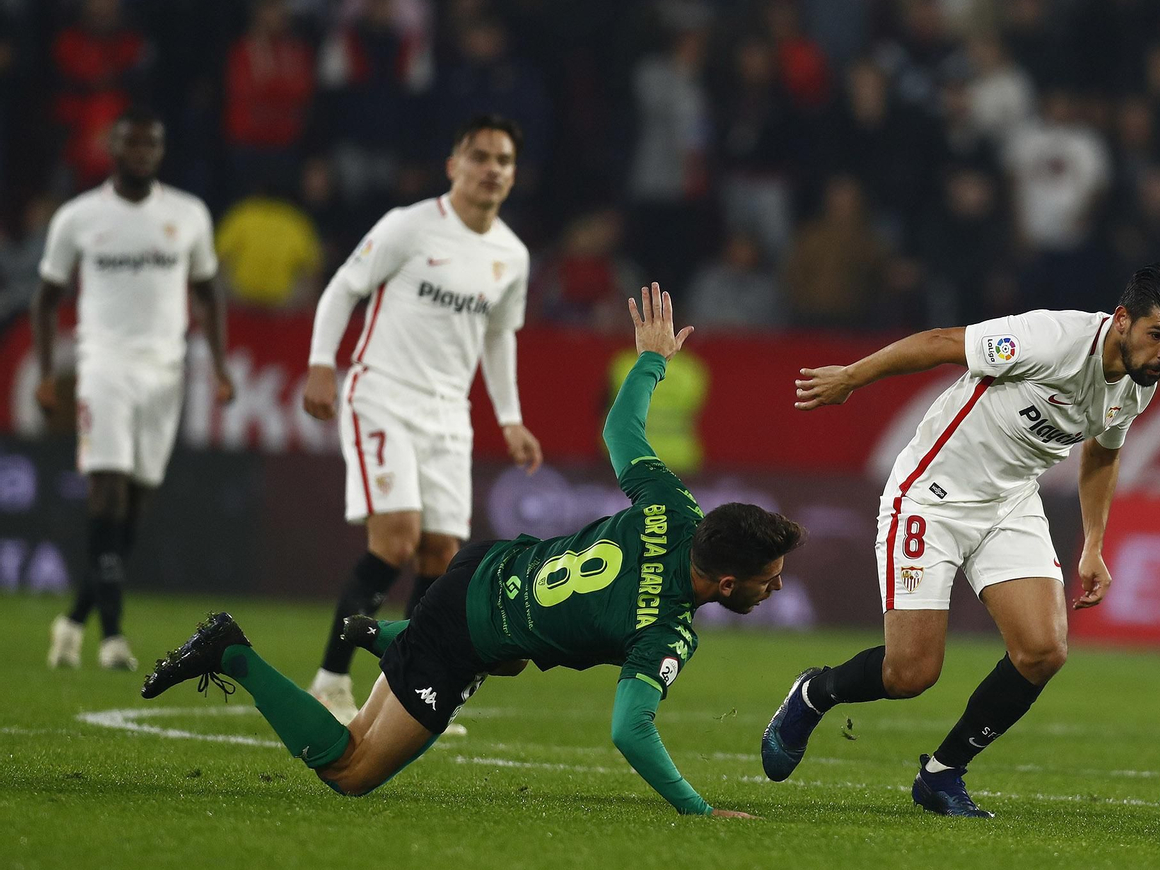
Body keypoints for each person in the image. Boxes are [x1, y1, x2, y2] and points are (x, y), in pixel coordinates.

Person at [142, 285, 798, 818]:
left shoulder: (674, 508)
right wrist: (697, 810)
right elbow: (629, 730)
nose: (774, 587)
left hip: (487, 566)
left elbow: (618, 427)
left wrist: (651, 358)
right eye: (767, 579)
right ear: (723, 581)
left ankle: (386, 634)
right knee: (351, 769)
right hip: (463, 629)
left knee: (515, 657)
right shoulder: (664, 630)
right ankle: (233, 651)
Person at [761, 264, 1160, 817]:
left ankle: (942, 775)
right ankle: (815, 693)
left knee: (1043, 651)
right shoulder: (1053, 339)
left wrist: (1093, 544)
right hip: (931, 495)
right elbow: (943, 342)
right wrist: (851, 377)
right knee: (911, 673)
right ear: (1122, 321)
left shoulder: (1136, 386)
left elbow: (1103, 454)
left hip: (1009, 503)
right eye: (1157, 335)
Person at [300, 114, 540, 728]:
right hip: (382, 394)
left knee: (439, 555)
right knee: (398, 540)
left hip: (447, 415)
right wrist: (321, 364)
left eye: (504, 161)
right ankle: (330, 678)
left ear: (513, 176)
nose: (492, 169)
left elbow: (499, 339)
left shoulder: (511, 255)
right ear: (453, 165)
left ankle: (404, 686)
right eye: (480, 156)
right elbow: (343, 287)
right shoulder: (410, 226)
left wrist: (510, 419)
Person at [37, 106, 234, 671]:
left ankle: (72, 620)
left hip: (167, 373)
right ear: (114, 149)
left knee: (135, 510)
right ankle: (112, 637)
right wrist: (50, 372)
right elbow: (46, 298)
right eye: (133, 144)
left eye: (152, 145)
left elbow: (208, 291)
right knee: (108, 495)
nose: (142, 153)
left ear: (161, 152)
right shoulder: (78, 217)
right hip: (103, 366)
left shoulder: (188, 215)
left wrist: (219, 366)